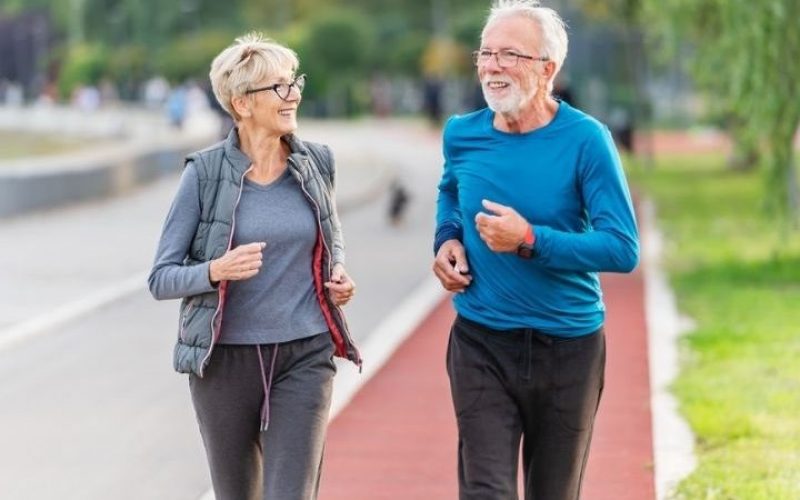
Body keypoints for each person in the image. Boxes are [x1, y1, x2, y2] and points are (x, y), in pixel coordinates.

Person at [431, 1, 639, 499]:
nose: (493, 65)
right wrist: (447, 238)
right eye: (486, 53)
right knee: (486, 491)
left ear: (548, 69)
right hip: (482, 339)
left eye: (511, 54)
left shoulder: (588, 140)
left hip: (568, 347)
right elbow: (449, 192)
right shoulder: (462, 134)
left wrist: (529, 240)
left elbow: (621, 248)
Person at [148, 32, 361, 500]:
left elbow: (331, 233)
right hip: (224, 361)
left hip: (305, 353)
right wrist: (214, 270)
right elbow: (161, 277)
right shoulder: (202, 174)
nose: (294, 95)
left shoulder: (316, 162)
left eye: (294, 82)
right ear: (242, 104)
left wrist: (338, 272)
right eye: (279, 87)